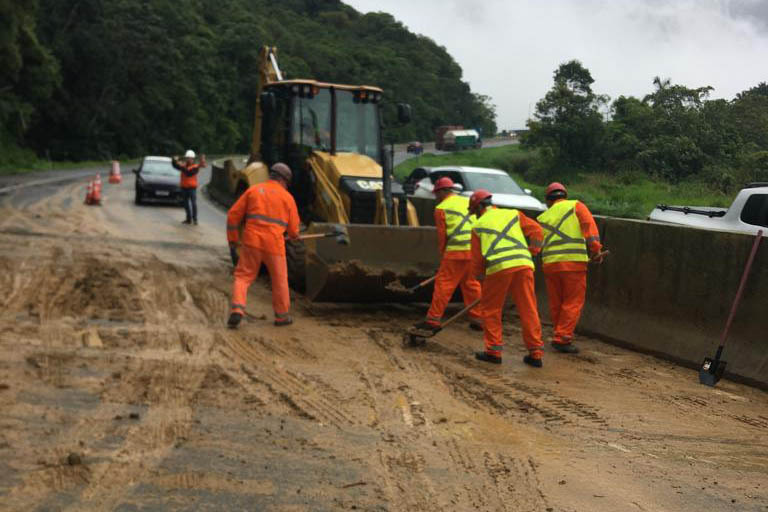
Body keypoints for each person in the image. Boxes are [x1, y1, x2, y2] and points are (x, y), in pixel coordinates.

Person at [469, 189, 546, 367]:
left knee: (491, 309)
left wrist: (481, 279)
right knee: (528, 308)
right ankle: (535, 353)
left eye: (474, 212)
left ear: (479, 207)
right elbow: (537, 231)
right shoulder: (512, 214)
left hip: (498, 268)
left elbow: (477, 261)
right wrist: (532, 252)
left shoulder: (478, 227)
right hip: (523, 265)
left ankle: (493, 351)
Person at [226, 162, 300, 328]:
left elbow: (232, 216)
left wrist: (233, 239)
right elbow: (294, 230)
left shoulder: (253, 190)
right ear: (284, 180)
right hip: (275, 244)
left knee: (243, 277)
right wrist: (294, 236)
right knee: (279, 280)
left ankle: (237, 310)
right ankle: (281, 317)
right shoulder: (288, 198)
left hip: (251, 241)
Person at [538, 182, 605, 354]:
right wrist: (596, 250)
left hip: (550, 264)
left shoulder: (543, 217)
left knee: (557, 303)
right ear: (564, 195)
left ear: (548, 200)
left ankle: (558, 333)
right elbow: (590, 230)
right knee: (572, 302)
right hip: (573, 264)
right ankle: (562, 338)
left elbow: (537, 244)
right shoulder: (576, 206)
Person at [412, 177, 483, 333]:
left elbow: (442, 236)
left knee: (444, 285)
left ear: (443, 191)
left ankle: (433, 320)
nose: (436, 197)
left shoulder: (441, 208)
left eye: (437, 193)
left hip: (455, 252)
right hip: (474, 250)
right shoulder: (467, 202)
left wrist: (444, 256)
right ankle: (478, 318)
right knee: (471, 284)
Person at [172, 149, 206, 225]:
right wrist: (174, 160)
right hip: (184, 187)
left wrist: (179, 164)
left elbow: (188, 173)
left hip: (192, 188)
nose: (189, 159)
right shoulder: (183, 165)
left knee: (193, 203)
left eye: (190, 158)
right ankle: (188, 219)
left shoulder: (195, 166)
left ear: (193, 159)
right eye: (188, 158)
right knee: (185, 204)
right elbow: (175, 166)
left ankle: (195, 219)